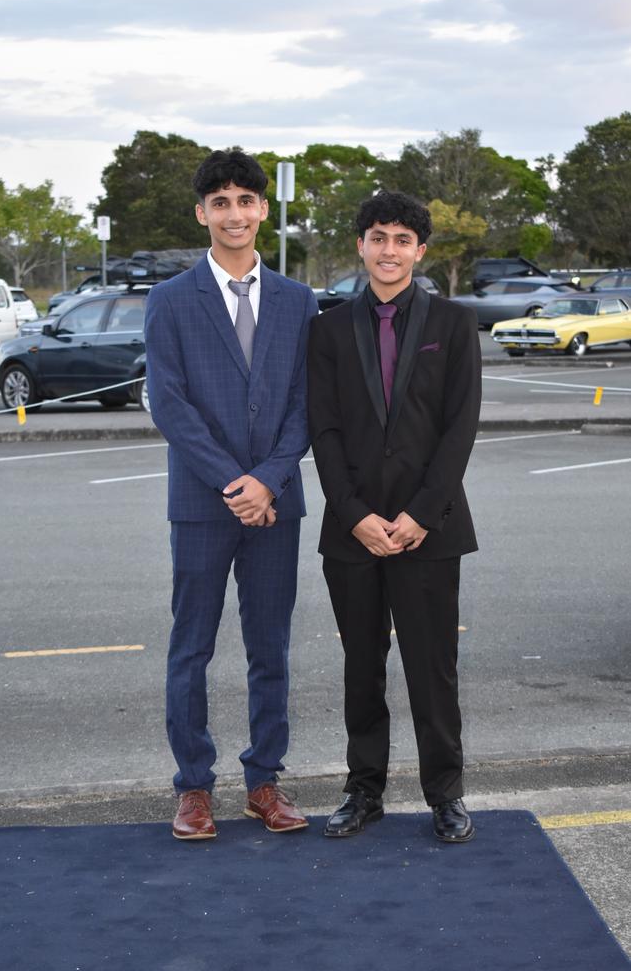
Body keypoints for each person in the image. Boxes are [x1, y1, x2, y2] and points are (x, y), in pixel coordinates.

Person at [145, 150, 318, 840]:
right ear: (202, 214)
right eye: (220, 201)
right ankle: (193, 787)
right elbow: (170, 405)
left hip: (276, 503)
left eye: (245, 199)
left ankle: (264, 781)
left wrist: (268, 479)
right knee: (192, 647)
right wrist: (232, 482)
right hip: (201, 503)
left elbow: (308, 405)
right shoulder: (169, 300)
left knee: (270, 648)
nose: (235, 213)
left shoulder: (299, 301)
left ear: (262, 210)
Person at [307, 190, 481, 842]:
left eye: (402, 240)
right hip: (351, 533)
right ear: (361, 245)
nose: (389, 250)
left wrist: (419, 514)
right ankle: (363, 789)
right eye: (378, 237)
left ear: (420, 251)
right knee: (362, 667)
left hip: (429, 531)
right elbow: (323, 429)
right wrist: (353, 516)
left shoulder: (453, 324)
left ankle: (445, 793)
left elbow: (459, 428)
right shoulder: (327, 330)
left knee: (433, 668)